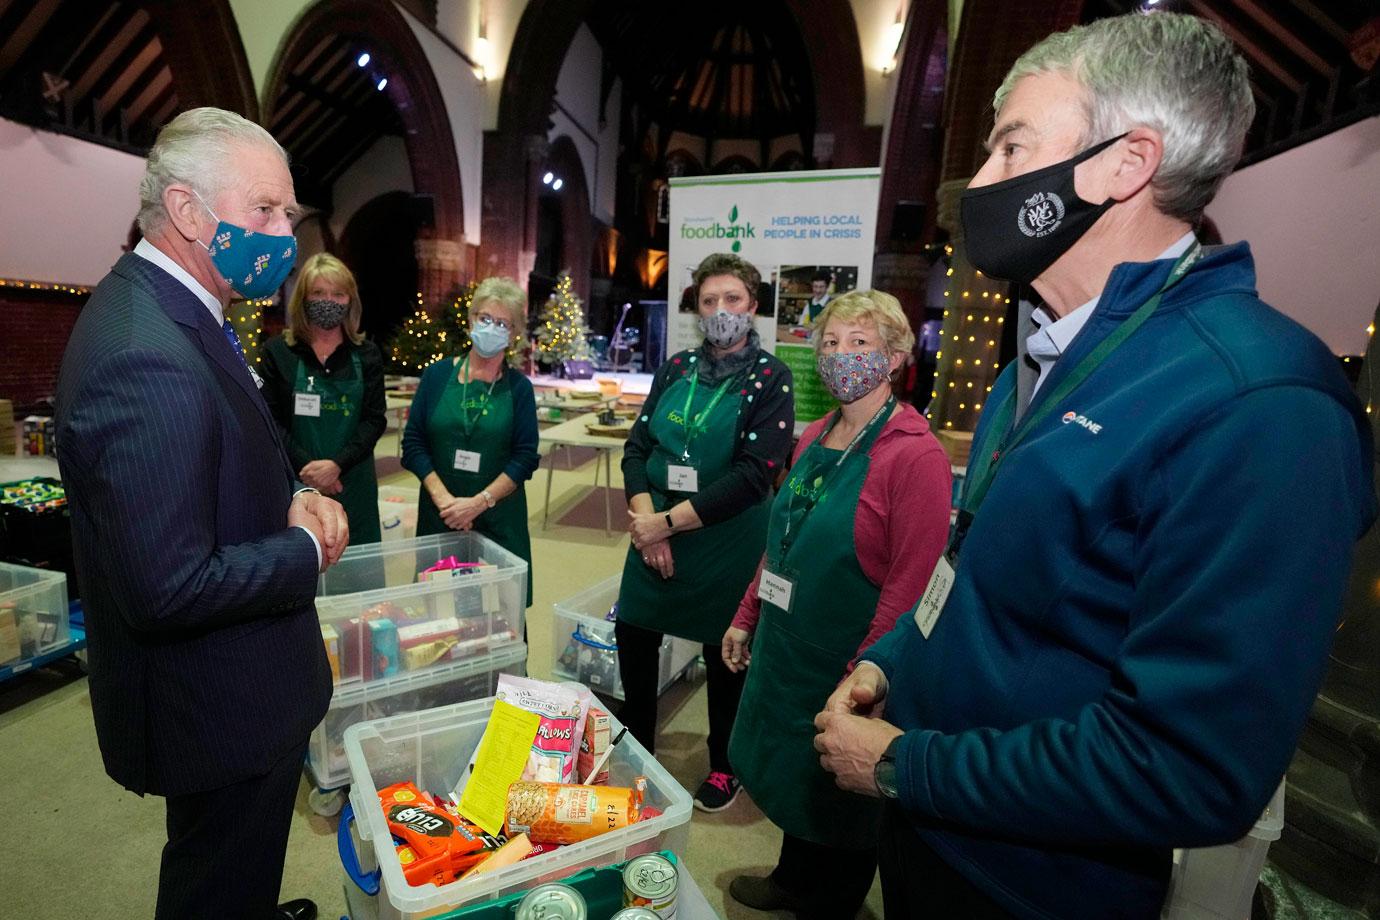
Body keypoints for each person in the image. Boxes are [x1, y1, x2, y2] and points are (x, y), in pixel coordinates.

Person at [811, 13, 1376, 919]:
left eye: (1011, 147)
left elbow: (1190, 766)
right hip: (932, 832)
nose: (980, 181)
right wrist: (889, 663)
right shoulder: (1037, 362)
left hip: (1036, 887)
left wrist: (904, 763)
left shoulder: (1263, 405)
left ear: (1126, 162)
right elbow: (980, 576)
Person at [53, 107, 347, 920]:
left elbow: (222, 451)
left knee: (236, 865)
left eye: (288, 212)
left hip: (238, 681)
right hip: (217, 704)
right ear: (188, 212)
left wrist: (287, 489)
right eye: (266, 210)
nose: (286, 232)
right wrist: (303, 549)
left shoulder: (181, 306)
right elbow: (167, 586)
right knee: (213, 875)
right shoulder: (145, 352)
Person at [723, 290, 951, 919]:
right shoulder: (816, 434)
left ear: (896, 356)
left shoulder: (915, 455)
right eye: (830, 342)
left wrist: (867, 673)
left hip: (848, 660)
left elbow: (911, 587)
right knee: (797, 777)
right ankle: (792, 878)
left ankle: (830, 904)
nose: (840, 355)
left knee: (844, 792)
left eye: (860, 343)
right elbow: (782, 537)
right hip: (786, 647)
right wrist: (747, 614)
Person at [617, 252, 794, 812]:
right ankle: (639, 748)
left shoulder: (771, 378)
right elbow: (638, 449)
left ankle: (725, 763)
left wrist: (664, 524)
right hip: (654, 533)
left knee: (726, 653)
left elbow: (752, 476)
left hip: (727, 539)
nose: (721, 311)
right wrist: (649, 526)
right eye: (710, 300)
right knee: (635, 634)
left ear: (753, 306)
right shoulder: (675, 368)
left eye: (733, 300)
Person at [402, 277, 539, 605]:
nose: (492, 328)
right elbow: (413, 443)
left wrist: (477, 503)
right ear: (471, 319)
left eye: (502, 323)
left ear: (514, 333)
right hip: (441, 514)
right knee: (441, 617)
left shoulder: (519, 389)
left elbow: (524, 458)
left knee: (503, 618)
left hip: (499, 517)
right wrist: (446, 500)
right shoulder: (436, 377)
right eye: (485, 319)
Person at [261, 253, 386, 547]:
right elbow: (269, 420)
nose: (328, 301)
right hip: (297, 485)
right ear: (303, 298)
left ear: (350, 300)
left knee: (357, 578)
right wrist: (310, 469)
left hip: (352, 483)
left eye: (337, 294)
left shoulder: (366, 354)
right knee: (302, 570)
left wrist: (336, 466)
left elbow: (374, 419)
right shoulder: (278, 352)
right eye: (318, 293)